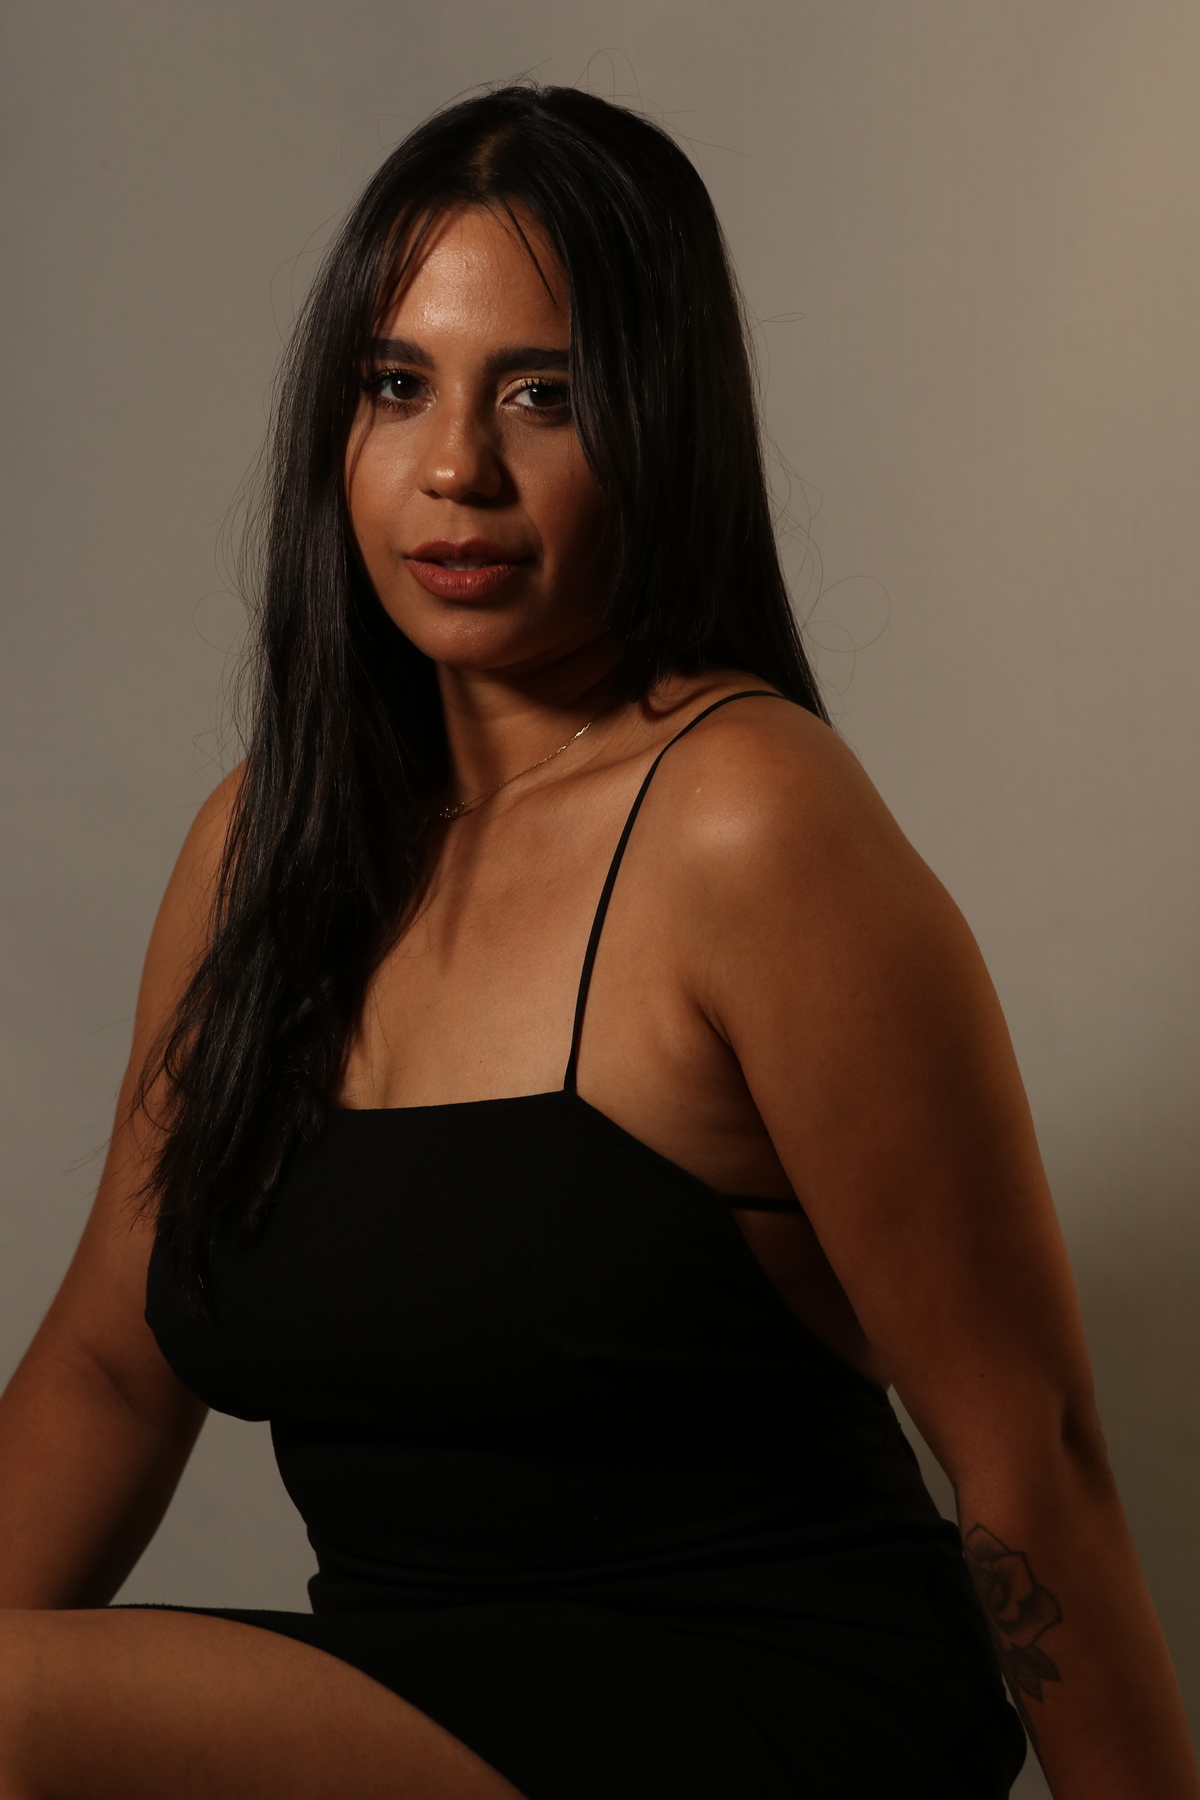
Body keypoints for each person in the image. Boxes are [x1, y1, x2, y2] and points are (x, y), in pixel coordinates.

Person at [0, 83, 1193, 1800]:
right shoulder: (262, 847)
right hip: (427, 1701)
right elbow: (112, 1369)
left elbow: (1030, 1446)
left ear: (658, 419)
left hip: (770, 1707)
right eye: (396, 384)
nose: (456, 468)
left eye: (540, 395)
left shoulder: (749, 823)